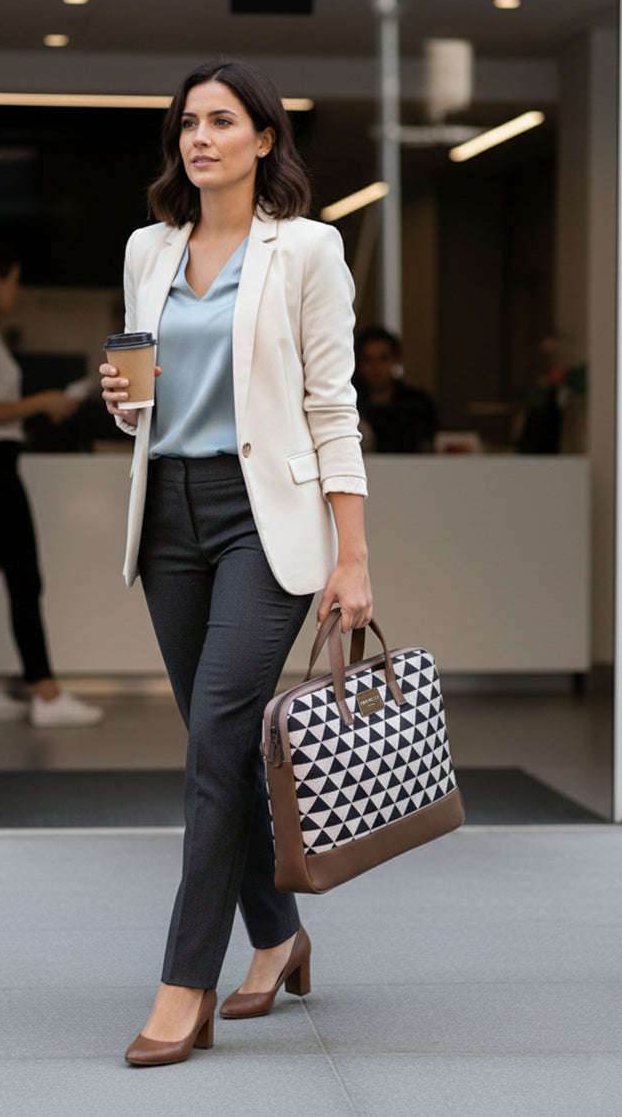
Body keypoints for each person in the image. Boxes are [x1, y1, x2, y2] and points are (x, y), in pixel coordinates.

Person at [100, 60, 372, 1067]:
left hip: (264, 521)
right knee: (225, 750)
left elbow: (331, 407)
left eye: (220, 122)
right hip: (167, 513)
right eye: (186, 124)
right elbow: (140, 392)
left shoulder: (305, 249)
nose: (198, 138)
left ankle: (182, 985)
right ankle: (277, 934)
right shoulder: (148, 248)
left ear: (263, 139)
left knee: (213, 745)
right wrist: (125, 400)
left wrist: (352, 557)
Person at [0, 241, 103, 727]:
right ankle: (45, 694)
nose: (16, 289)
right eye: (13, 279)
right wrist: (42, 401)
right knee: (23, 579)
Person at [353, 325, 438, 453]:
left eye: (383, 358)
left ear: (396, 359)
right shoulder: (349, 403)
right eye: (368, 360)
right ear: (358, 362)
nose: (376, 367)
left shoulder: (417, 404)